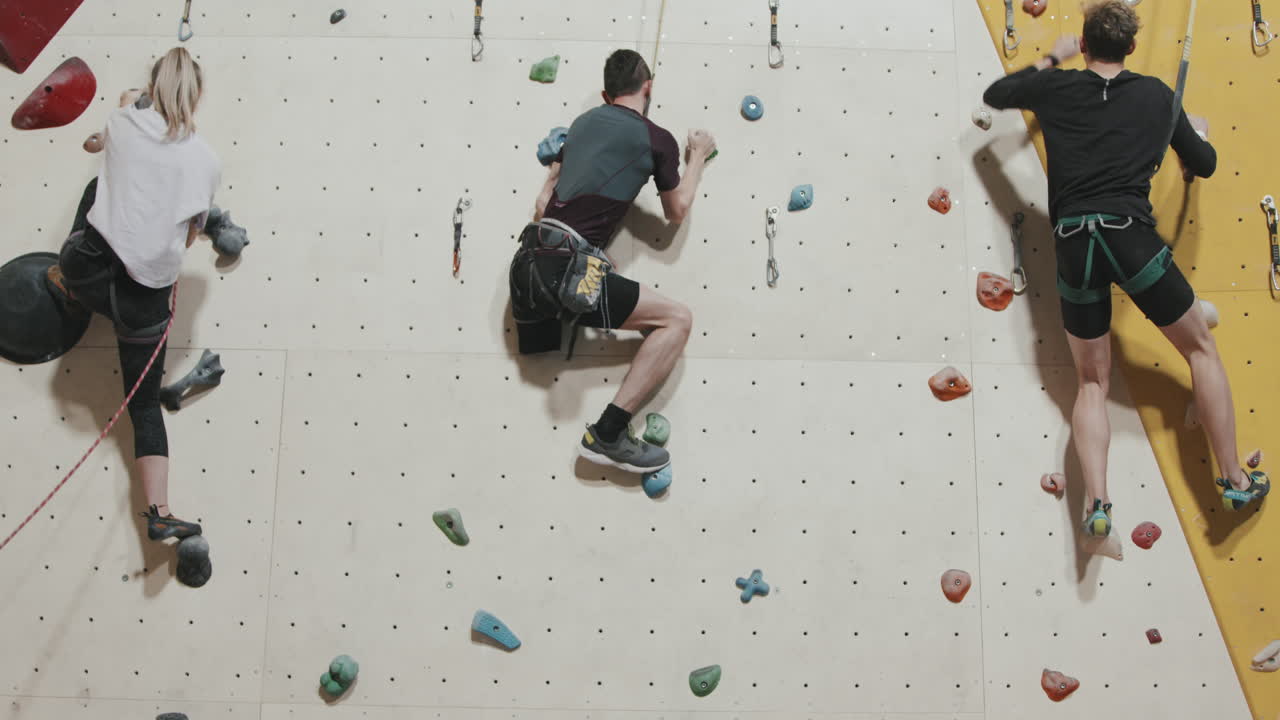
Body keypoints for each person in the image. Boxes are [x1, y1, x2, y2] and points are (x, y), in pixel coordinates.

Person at [982, 0, 1268, 536]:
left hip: (1074, 244)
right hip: (1128, 237)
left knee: (1092, 381)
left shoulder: (1058, 88)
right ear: (1131, 47)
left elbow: (997, 96)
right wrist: (1187, 143)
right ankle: (1232, 480)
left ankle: (1098, 505)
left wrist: (1051, 59)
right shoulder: (1157, 96)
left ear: (1085, 44)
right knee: (1200, 349)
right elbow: (1204, 164)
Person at [509, 49, 715, 474]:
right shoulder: (655, 137)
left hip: (527, 265)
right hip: (566, 271)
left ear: (606, 94)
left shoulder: (582, 126)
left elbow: (543, 201)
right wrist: (696, 156)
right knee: (676, 320)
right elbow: (676, 211)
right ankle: (608, 434)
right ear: (648, 86)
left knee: (549, 357)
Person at [47, 47, 221, 541]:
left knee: (93, 194)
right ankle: (159, 513)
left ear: (151, 86)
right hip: (143, 301)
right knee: (143, 408)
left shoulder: (122, 122)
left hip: (86, 269)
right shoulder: (205, 160)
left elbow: (124, 111)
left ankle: (66, 287)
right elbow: (188, 237)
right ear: (199, 95)